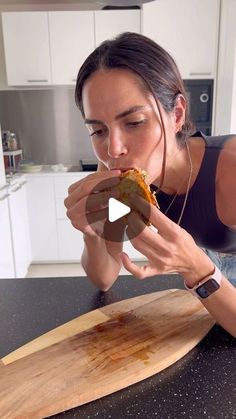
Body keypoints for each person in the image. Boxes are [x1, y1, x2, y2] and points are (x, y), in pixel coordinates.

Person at [64, 32, 236, 337]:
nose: (113, 149)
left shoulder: (231, 171)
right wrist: (92, 232)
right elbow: (104, 277)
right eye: (99, 130)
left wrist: (198, 270)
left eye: (134, 123)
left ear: (177, 114)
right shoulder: (120, 174)